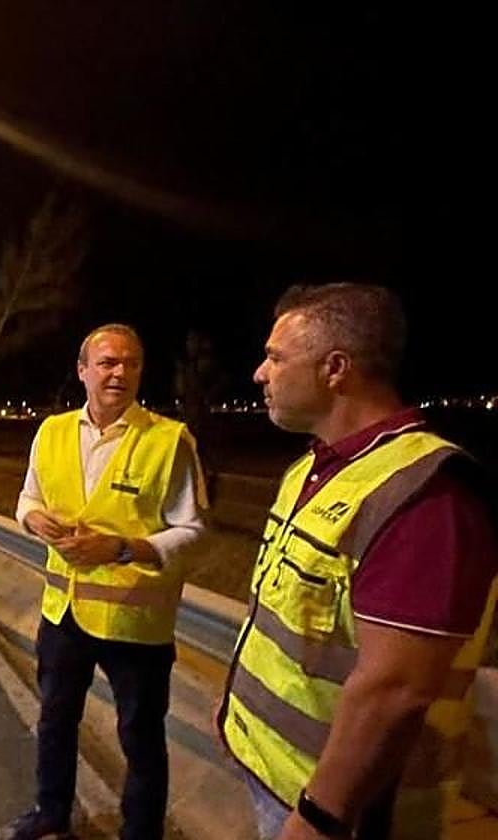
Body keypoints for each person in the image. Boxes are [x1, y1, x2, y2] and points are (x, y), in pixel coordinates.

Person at [217, 283, 498, 839]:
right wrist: (235, 711)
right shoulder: (312, 469)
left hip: (341, 815)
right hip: (273, 774)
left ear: (335, 369)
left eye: (275, 357)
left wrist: (321, 814)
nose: (259, 372)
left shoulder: (424, 497)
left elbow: (395, 689)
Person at [0, 324, 208, 840]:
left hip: (135, 621)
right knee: (55, 723)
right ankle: (51, 816)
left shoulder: (168, 439)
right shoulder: (52, 432)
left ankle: (140, 833)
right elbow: (27, 497)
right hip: (62, 613)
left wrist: (121, 548)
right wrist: (33, 519)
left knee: (139, 737)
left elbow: (195, 532)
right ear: (83, 370)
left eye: (131, 363)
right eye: (108, 362)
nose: (120, 372)